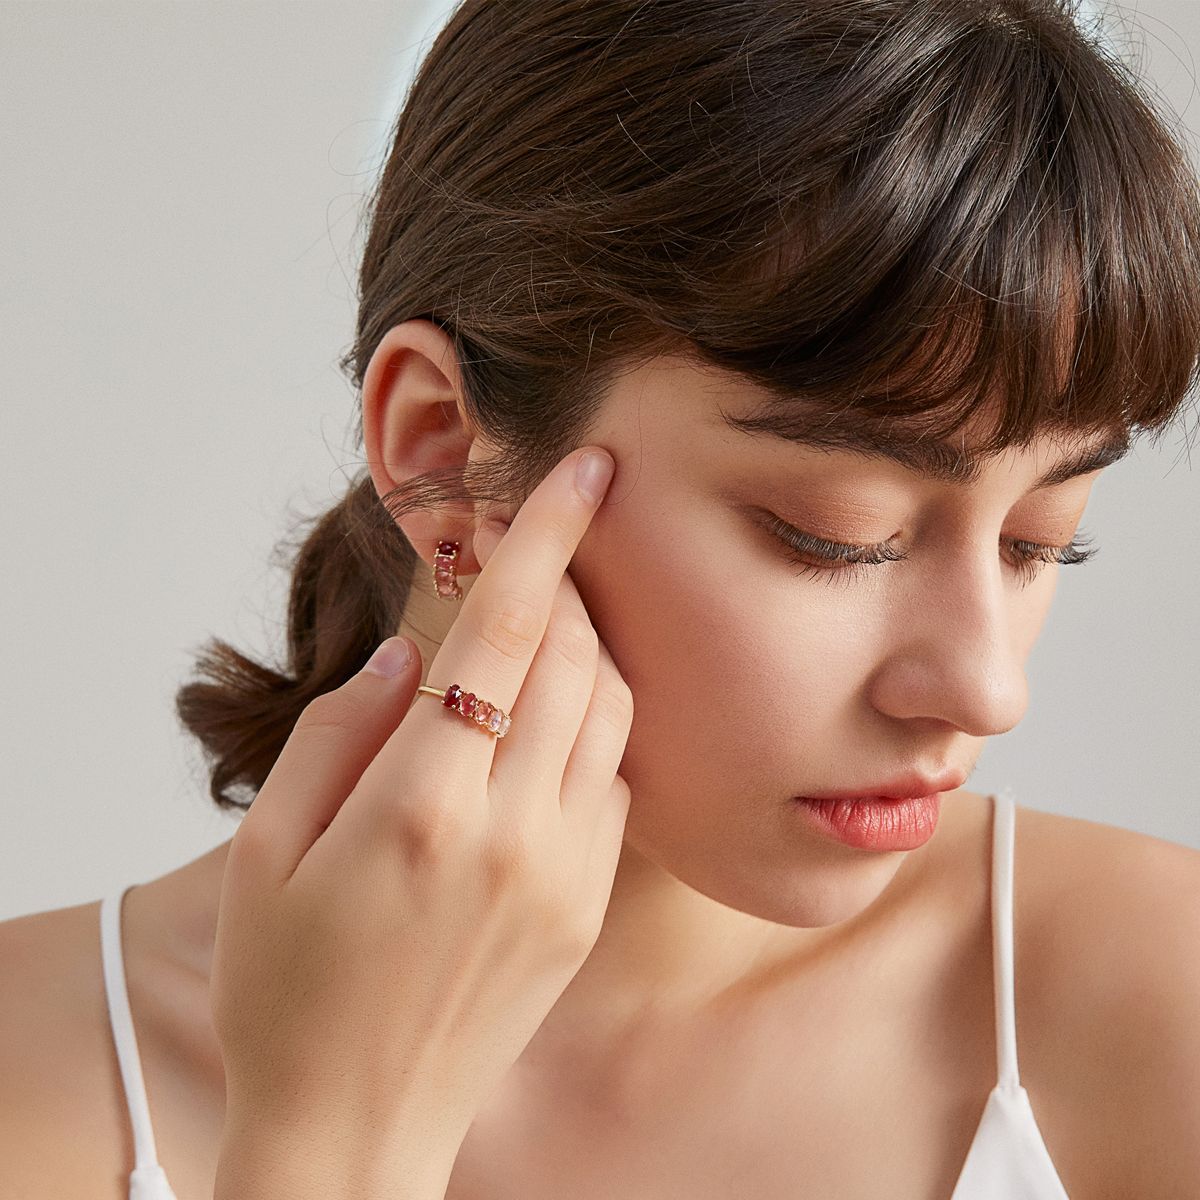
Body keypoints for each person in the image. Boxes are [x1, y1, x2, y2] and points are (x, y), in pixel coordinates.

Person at [1, 1, 1198, 1197]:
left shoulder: (1157, 997)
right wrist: (329, 1143)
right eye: (838, 536)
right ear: (438, 447)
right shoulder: (33, 1080)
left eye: (1044, 542)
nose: (991, 690)